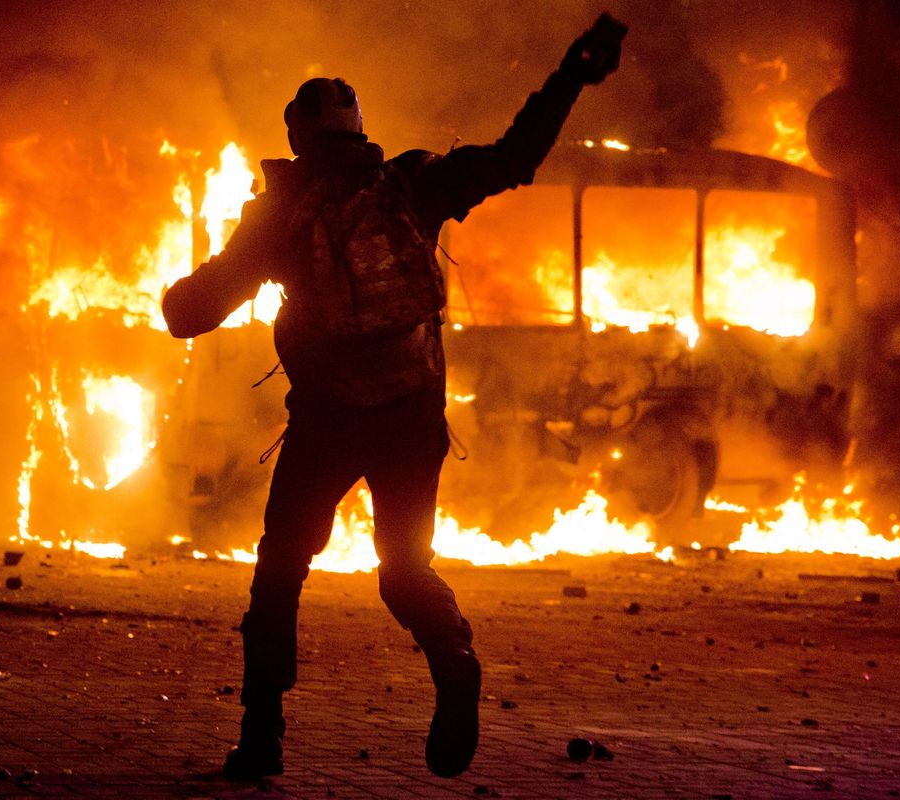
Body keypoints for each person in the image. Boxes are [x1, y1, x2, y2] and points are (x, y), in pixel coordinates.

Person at [162, 13, 625, 781]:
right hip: (413, 418)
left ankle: (262, 736)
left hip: (327, 425)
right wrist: (573, 73)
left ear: (299, 139)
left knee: (281, 571)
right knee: (404, 566)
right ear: (359, 131)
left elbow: (192, 315)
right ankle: (452, 654)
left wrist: (177, 294)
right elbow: (516, 155)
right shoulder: (412, 184)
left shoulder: (278, 214)